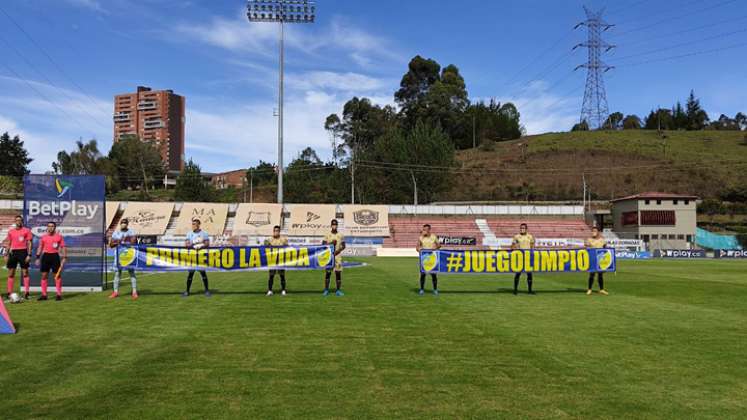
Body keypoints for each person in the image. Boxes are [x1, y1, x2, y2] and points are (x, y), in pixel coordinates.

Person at [35, 222, 66, 301]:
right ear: (47, 228)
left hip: (55, 256)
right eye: (49, 226)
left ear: (55, 228)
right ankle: (44, 295)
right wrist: (38, 257)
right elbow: (40, 247)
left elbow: (63, 247)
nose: (50, 228)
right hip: (46, 257)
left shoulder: (59, 237)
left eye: (52, 226)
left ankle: (59, 295)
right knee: (44, 276)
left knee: (57, 276)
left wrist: (64, 257)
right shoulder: (43, 237)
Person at [4, 215, 33, 301]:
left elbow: (30, 243)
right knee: (11, 273)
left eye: (20, 220)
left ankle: (27, 293)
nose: (18, 222)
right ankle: (9, 293)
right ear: (15, 221)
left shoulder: (27, 230)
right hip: (13, 253)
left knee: (25, 273)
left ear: (22, 221)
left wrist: (29, 254)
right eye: (17, 220)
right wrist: (6, 253)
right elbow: (9, 243)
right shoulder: (11, 232)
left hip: (23, 252)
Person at [109, 218, 138, 300]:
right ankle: (115, 292)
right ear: (120, 224)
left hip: (129, 256)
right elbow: (111, 245)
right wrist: (117, 242)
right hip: (118, 256)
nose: (123, 224)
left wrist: (123, 241)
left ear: (127, 224)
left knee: (131, 273)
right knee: (117, 274)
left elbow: (133, 242)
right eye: (122, 223)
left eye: (125, 223)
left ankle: (134, 292)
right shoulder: (116, 232)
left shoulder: (131, 232)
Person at [183, 219, 211, 298]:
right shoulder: (189, 234)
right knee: (190, 274)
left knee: (203, 273)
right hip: (192, 257)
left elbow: (207, 243)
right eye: (192, 224)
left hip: (201, 256)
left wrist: (201, 246)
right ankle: (187, 291)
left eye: (195, 224)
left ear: (199, 225)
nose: (193, 226)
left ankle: (207, 290)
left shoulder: (204, 233)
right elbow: (186, 244)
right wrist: (194, 244)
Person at [322, 219, 346, 297]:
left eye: (335, 225)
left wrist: (338, 251)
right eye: (333, 224)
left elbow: (344, 246)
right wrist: (331, 243)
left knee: (338, 274)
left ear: (337, 225)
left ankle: (338, 290)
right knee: (328, 273)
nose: (334, 226)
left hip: (337, 257)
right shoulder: (327, 235)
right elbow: (323, 245)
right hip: (329, 257)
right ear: (331, 225)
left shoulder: (341, 235)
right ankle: (326, 290)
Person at [416, 224, 441, 295]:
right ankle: (421, 289)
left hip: (432, 258)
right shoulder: (420, 238)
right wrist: (419, 249)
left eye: (425, 230)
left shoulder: (434, 237)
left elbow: (439, 245)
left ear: (429, 230)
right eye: (423, 229)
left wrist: (435, 248)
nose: (423, 231)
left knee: (433, 275)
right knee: (423, 274)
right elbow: (417, 248)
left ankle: (435, 289)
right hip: (424, 259)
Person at [511, 223, 535, 295]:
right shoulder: (516, 236)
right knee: (518, 274)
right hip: (520, 258)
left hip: (528, 258)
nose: (522, 229)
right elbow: (512, 246)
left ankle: (530, 290)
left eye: (523, 228)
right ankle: (515, 290)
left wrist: (531, 256)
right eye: (521, 228)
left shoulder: (530, 237)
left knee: (529, 274)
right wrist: (515, 249)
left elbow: (532, 247)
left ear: (526, 229)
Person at [264, 225, 289, 296]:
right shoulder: (269, 240)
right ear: (273, 231)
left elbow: (288, 248)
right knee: (271, 276)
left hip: (281, 260)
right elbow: (265, 248)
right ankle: (269, 290)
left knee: (282, 276)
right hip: (272, 261)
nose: (276, 232)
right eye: (275, 231)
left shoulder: (284, 239)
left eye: (277, 231)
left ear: (279, 231)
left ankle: (283, 290)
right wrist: (266, 244)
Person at [585, 226, 609, 296]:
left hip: (600, 260)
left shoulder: (602, 240)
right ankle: (589, 289)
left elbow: (605, 248)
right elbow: (586, 248)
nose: (593, 232)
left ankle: (601, 289)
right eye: (592, 231)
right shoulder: (589, 239)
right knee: (592, 275)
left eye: (595, 231)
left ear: (598, 232)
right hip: (592, 259)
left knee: (600, 275)